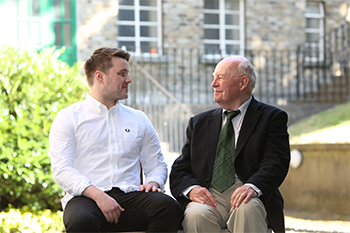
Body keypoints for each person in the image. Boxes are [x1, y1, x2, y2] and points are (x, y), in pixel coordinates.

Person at [49, 47, 183, 232]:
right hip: (86, 199)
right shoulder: (68, 117)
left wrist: (153, 182)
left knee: (169, 208)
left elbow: (157, 164)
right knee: (81, 220)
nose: (129, 80)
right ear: (100, 77)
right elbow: (62, 169)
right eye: (122, 74)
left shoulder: (139, 118)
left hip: (131, 197)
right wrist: (98, 196)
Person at [170, 56, 290, 233]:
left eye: (220, 77)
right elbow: (180, 168)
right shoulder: (199, 122)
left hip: (248, 190)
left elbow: (276, 161)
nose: (213, 84)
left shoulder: (271, 118)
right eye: (213, 77)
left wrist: (252, 187)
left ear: (243, 82)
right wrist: (193, 189)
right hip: (210, 195)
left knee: (247, 208)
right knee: (196, 214)